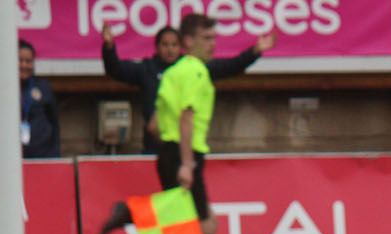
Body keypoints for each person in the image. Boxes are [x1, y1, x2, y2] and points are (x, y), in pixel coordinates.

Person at [98, 13, 223, 234]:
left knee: (200, 223)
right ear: (188, 42)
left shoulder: (171, 73)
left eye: (214, 39)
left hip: (166, 151)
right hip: (183, 153)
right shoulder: (194, 71)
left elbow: (154, 123)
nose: (213, 45)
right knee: (205, 225)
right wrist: (187, 163)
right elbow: (187, 116)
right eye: (206, 39)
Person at [101, 23, 273, 154]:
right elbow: (116, 70)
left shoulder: (191, 68)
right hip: (154, 144)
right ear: (157, 47)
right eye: (165, 45)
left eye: (174, 45)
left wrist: (255, 51)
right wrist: (109, 47)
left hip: (186, 145)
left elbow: (229, 66)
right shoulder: (146, 69)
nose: (170, 49)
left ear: (181, 46)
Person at [18, 40, 59, 158]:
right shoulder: (5, 90)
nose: (24, 65)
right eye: (20, 60)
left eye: (28, 61)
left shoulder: (43, 87)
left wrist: (55, 154)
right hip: (15, 157)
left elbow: (54, 122)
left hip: (42, 156)